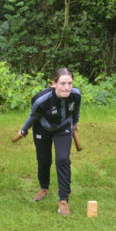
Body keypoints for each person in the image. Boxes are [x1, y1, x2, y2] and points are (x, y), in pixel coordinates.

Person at [17, 68, 81, 216]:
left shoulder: (76, 95)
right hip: (42, 128)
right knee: (44, 160)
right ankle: (44, 189)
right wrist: (24, 130)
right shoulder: (41, 100)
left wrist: (75, 122)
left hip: (63, 127)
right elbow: (33, 116)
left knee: (63, 159)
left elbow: (76, 109)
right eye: (62, 83)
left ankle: (63, 201)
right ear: (54, 84)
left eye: (70, 83)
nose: (66, 87)